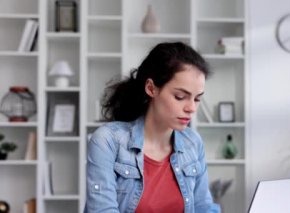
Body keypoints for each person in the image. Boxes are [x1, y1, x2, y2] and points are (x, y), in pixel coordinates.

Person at [84, 42, 220, 213]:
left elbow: (203, 207)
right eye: (180, 97)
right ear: (151, 88)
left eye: (197, 99)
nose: (191, 108)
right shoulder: (107, 141)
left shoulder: (193, 143)